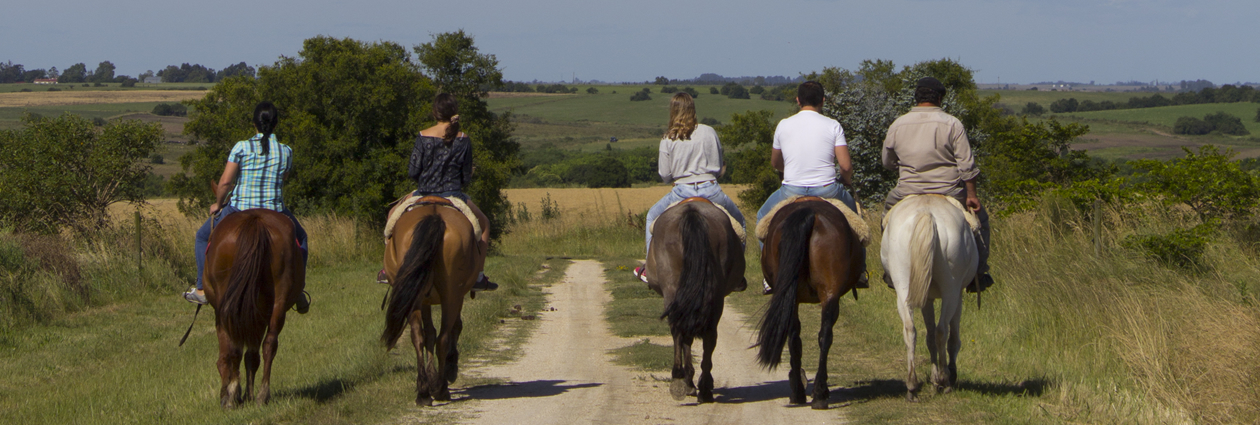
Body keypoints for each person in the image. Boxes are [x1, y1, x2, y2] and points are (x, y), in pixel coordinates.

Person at [184, 101, 310, 312]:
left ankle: (201, 290)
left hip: (239, 209)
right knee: (302, 239)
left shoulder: (241, 147)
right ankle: (297, 291)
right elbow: (284, 176)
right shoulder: (286, 151)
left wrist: (218, 204)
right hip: (274, 210)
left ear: (254, 124)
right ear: (276, 124)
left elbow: (224, 183)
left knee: (202, 237)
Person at [882, 76, 993, 292]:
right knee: (981, 223)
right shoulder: (952, 123)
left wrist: (905, 167)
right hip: (949, 190)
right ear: (940, 98)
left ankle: (889, 271)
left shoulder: (898, 124)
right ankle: (979, 272)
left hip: (907, 191)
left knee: (886, 219)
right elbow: (967, 165)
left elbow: (887, 162)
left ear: (916, 97)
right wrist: (971, 195)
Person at [754, 81, 866, 292]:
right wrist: (846, 181)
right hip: (827, 190)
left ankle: (769, 277)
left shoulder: (784, 125)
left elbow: (776, 163)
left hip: (791, 190)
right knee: (857, 221)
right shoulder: (833, 125)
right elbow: (845, 165)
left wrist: (787, 172)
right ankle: (860, 272)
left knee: (762, 217)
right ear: (823, 101)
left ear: (798, 101)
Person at [381, 93, 497, 291]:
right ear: (454, 113)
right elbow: (466, 178)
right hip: (454, 195)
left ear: (435, 112)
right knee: (484, 224)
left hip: (423, 192)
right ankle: (478, 275)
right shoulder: (463, 139)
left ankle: (386, 270)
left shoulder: (423, 135)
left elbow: (413, 171)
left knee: (392, 217)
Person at [633, 92, 745, 283]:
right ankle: (736, 275)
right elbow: (718, 167)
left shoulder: (668, 138)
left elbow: (665, 176)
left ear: (672, 110)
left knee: (652, 216)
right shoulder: (709, 131)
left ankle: (649, 268)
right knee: (740, 222)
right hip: (711, 190)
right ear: (693, 108)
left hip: (680, 192)